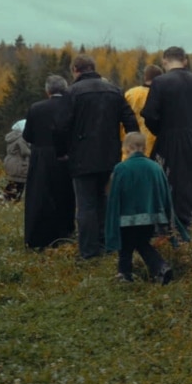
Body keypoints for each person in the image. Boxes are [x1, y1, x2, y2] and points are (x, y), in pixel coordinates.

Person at [60, 54, 140, 260]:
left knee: (86, 204)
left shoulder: (72, 92)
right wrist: (130, 150)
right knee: (105, 201)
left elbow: (61, 126)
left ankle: (88, 251)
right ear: (93, 68)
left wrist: (62, 152)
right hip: (110, 155)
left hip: (81, 156)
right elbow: (131, 122)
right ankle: (108, 244)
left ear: (76, 70)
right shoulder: (114, 90)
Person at [142, 46, 192, 227]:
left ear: (164, 61)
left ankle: (169, 226)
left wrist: (160, 131)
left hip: (169, 139)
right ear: (185, 61)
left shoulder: (160, 82)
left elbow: (150, 115)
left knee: (169, 182)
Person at [105, 132, 188, 284]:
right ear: (144, 147)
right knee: (142, 243)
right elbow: (165, 193)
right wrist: (167, 218)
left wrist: (111, 220)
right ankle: (160, 268)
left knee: (125, 246)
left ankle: (125, 274)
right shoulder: (155, 167)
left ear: (127, 148)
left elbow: (114, 196)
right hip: (151, 217)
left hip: (126, 218)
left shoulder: (121, 168)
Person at [22, 76, 76, 250]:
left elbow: (27, 136)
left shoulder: (36, 108)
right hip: (66, 156)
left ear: (48, 91)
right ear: (65, 89)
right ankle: (64, 234)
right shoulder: (71, 106)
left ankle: (38, 236)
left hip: (41, 157)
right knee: (65, 196)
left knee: (40, 196)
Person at [124, 65, 163, 157]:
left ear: (145, 77)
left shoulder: (131, 93)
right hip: (154, 144)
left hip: (131, 143)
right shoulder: (161, 95)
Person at [3, 120, 30, 202]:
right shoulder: (21, 138)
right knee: (20, 181)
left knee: (13, 180)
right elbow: (24, 151)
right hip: (19, 163)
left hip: (10, 161)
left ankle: (7, 197)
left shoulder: (12, 137)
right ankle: (12, 199)